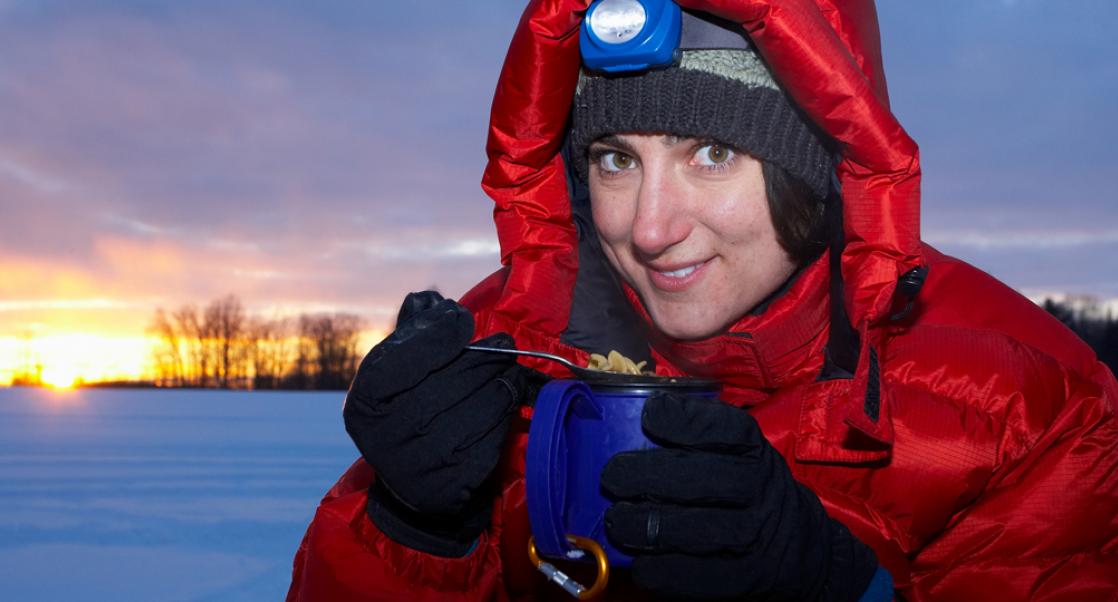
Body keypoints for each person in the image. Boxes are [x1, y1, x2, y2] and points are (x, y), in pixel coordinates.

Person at [287, 1, 1118, 600]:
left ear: (821, 169)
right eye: (615, 159)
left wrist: (844, 588)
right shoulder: (513, 344)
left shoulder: (1032, 407)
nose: (649, 228)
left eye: (712, 152)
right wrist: (411, 532)